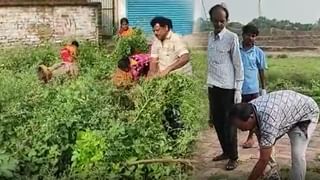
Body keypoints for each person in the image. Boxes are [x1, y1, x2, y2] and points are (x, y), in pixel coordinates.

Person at [229, 90, 319, 180]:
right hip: (286, 110)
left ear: (251, 117)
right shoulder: (249, 108)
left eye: (239, 124)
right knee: (266, 144)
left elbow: (263, 159)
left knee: (298, 154)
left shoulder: (268, 121)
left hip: (306, 114)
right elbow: (264, 143)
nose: (238, 128)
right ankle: (272, 174)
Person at [207, 4, 244, 170]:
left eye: (222, 21)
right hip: (213, 85)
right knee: (217, 121)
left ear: (226, 20)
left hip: (228, 88)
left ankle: (234, 157)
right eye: (216, 21)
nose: (219, 24)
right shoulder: (209, 36)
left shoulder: (232, 38)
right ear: (211, 20)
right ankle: (225, 151)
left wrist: (238, 89)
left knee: (229, 124)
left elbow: (238, 65)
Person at [240, 24, 267, 148]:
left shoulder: (259, 52)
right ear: (243, 34)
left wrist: (264, 89)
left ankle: (251, 138)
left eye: (254, 36)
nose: (251, 38)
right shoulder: (236, 50)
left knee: (253, 116)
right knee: (238, 114)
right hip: (238, 89)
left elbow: (261, 71)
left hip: (253, 89)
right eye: (249, 35)